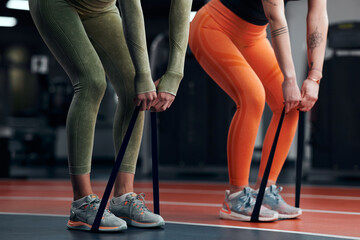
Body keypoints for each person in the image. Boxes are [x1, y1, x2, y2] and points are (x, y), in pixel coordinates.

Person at [29, 0, 192, 231]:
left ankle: (123, 197)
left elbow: (182, 8)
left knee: (131, 89)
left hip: (101, 8)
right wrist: (145, 75)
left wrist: (174, 76)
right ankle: (82, 203)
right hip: (58, 3)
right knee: (91, 82)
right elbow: (131, 6)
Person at [189, 0, 327, 221]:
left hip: (253, 37)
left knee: (288, 105)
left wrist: (314, 77)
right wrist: (290, 79)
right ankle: (235, 197)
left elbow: (318, 16)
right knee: (252, 97)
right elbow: (276, 18)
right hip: (213, 27)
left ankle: (265, 190)